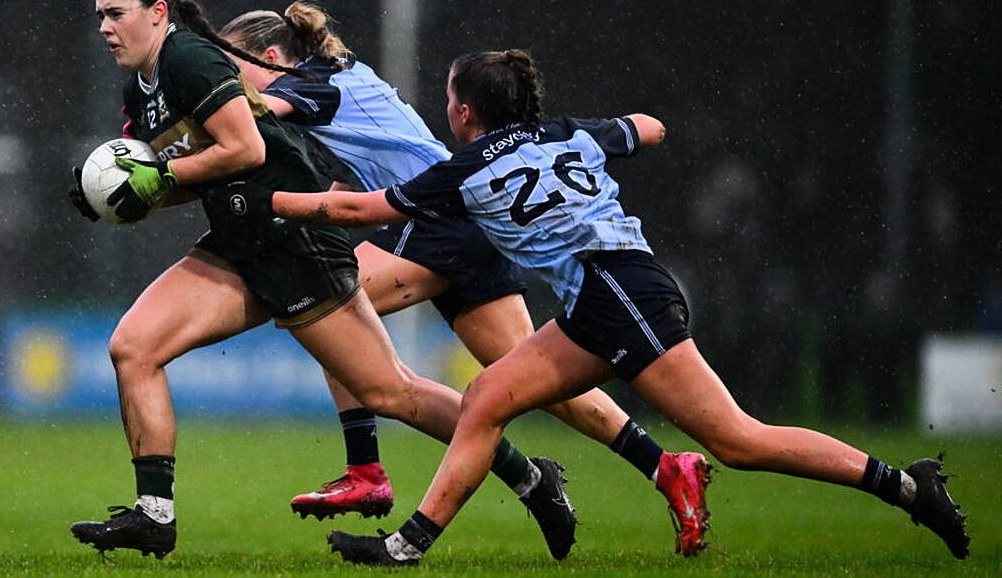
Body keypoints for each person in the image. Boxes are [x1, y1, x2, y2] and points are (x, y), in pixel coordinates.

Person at [205, 49, 972, 565]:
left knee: (738, 439)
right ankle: (407, 546)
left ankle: (906, 485)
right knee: (487, 396)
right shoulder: (568, 132)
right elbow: (646, 128)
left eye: (448, 98)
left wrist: (267, 200)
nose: (445, 108)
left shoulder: (465, 168)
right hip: (609, 292)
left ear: (466, 113)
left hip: (622, 296)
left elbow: (356, 211)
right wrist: (625, 135)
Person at [65, 0, 575, 561]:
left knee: (390, 392)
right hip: (238, 241)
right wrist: (119, 195)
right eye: (99, 16)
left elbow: (244, 149)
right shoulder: (142, 88)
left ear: (157, 13)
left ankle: (532, 479)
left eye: (115, 14)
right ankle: (155, 515)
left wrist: (162, 177)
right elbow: (181, 176)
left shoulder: (190, 60)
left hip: (295, 243)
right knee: (134, 347)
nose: (104, 27)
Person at [217, 2, 713, 555]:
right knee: (541, 385)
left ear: (269, 56)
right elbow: (349, 173)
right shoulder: (337, 78)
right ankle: (660, 466)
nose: (226, 81)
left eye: (230, 68)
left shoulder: (311, 84)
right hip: (468, 225)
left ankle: (367, 470)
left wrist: (175, 130)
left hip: (435, 220)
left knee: (328, 311)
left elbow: (244, 115)